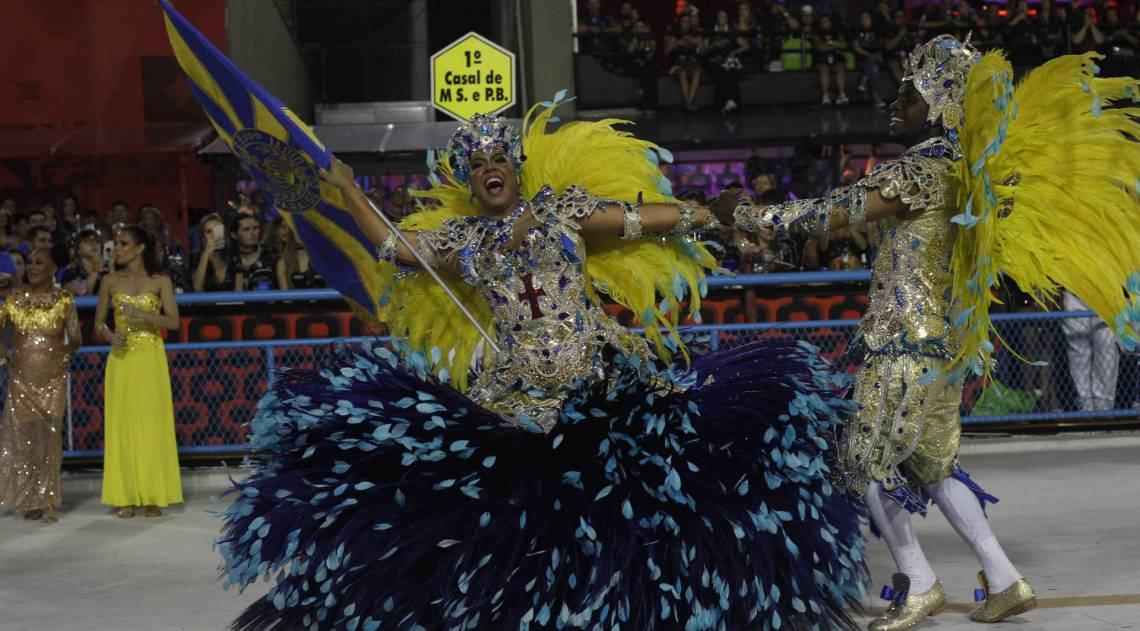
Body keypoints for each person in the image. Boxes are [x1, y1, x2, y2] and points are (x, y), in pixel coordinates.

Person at [218, 106, 868, 630]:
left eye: (499, 158)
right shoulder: (465, 239)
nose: (490, 169)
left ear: (516, 168)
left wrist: (710, 215)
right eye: (478, 165)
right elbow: (396, 246)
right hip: (517, 391)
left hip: (595, 376)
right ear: (471, 182)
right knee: (521, 509)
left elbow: (643, 220)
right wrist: (347, 190)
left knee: (643, 490)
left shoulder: (562, 210)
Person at [717, 34, 1140, 629]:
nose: (894, 104)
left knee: (859, 462)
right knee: (933, 467)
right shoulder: (958, 170)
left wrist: (745, 213)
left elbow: (833, 212)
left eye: (908, 94)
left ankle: (918, 582)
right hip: (941, 342)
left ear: (940, 106)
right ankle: (1005, 579)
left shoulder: (922, 170)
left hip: (904, 342)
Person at [95, 225, 183, 518]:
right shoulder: (110, 281)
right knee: (122, 423)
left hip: (150, 355)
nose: (117, 248)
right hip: (121, 358)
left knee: (151, 421)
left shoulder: (160, 281)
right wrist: (109, 335)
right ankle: (125, 495)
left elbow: (173, 322)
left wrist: (143, 314)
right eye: (116, 243)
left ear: (140, 247)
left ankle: (154, 493)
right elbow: (98, 324)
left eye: (123, 243)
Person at [0, 248, 81, 524]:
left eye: (39, 263)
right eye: (30, 263)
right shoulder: (14, 298)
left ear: (52, 269)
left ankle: (48, 500)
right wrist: (4, 355)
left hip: (52, 379)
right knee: (24, 439)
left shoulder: (64, 300)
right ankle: (28, 499)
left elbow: (76, 339)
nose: (32, 267)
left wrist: (65, 356)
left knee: (49, 436)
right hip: (21, 378)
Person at [708, 9, 750, 113]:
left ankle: (731, 102)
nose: (724, 19)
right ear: (717, 19)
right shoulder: (711, 32)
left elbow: (746, 46)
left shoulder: (731, 32)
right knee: (721, 72)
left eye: (725, 17)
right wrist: (714, 45)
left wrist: (734, 52)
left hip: (728, 60)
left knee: (731, 71)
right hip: (714, 61)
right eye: (721, 17)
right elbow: (704, 49)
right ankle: (723, 103)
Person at [666, 13, 706, 112]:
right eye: (684, 21)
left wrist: (698, 43)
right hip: (679, 63)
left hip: (693, 63)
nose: (686, 24)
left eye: (688, 22)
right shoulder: (675, 36)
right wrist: (676, 43)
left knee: (697, 71)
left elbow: (703, 52)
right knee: (683, 72)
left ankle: (689, 102)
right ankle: (689, 103)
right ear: (680, 23)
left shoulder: (695, 34)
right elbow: (666, 51)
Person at [228, 214, 278, 291]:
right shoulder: (229, 258)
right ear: (234, 235)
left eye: (255, 228)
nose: (252, 233)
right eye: (246, 229)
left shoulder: (272, 254)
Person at [274, 220, 323, 290]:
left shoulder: (324, 260)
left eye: (306, 230)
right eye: (298, 230)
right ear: (292, 233)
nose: (302, 234)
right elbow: (285, 297)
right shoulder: (282, 263)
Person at [852, 10, 887, 106]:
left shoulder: (876, 30)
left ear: (871, 19)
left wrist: (876, 54)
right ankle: (875, 95)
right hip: (863, 57)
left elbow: (881, 46)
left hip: (877, 58)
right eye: (862, 18)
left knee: (874, 63)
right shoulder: (857, 31)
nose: (864, 20)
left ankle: (863, 81)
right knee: (873, 68)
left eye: (866, 17)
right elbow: (856, 48)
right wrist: (870, 55)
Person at [815, 14, 850, 105]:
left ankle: (842, 95)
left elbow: (843, 44)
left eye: (826, 21)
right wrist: (834, 45)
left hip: (836, 56)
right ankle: (825, 96)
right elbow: (820, 47)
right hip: (822, 57)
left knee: (840, 68)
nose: (824, 23)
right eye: (822, 22)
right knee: (824, 68)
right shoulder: (818, 32)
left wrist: (831, 45)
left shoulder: (837, 31)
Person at [58, 229, 105, 296]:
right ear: (78, 250)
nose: (93, 244)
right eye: (87, 242)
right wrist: (96, 271)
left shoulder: (106, 270)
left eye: (96, 242)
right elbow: (84, 295)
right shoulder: (71, 274)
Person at [191, 212, 228, 292]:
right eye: (209, 231)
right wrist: (206, 253)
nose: (213, 234)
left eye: (217, 230)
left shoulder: (233, 257)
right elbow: (197, 288)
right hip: (207, 304)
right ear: (203, 238)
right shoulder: (195, 258)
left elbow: (239, 293)